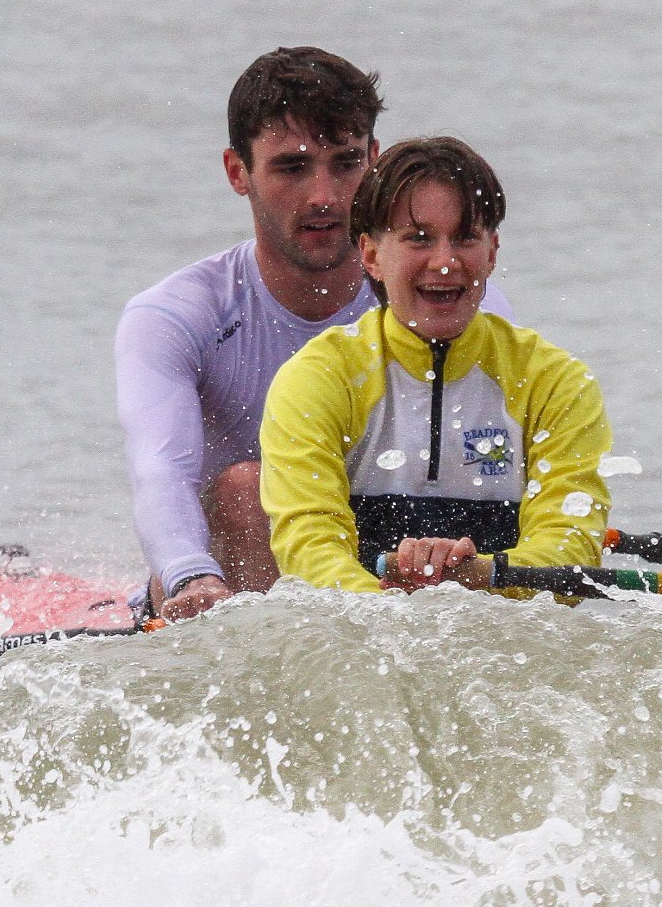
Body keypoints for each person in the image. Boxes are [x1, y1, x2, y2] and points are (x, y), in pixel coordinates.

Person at [114, 47, 510, 623]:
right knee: (248, 490)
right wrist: (191, 576)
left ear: (374, 162)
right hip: (227, 581)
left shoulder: (458, 300)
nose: (324, 196)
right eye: (293, 168)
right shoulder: (178, 316)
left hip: (381, 556)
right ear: (237, 171)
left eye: (346, 163)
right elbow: (160, 470)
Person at [259, 136, 611, 595]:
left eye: (465, 238)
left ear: (492, 252)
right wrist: (385, 610)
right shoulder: (318, 378)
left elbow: (570, 544)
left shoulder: (555, 382)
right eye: (419, 239)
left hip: (505, 625)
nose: (445, 263)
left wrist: (479, 578)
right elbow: (309, 547)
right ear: (370, 255)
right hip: (366, 624)